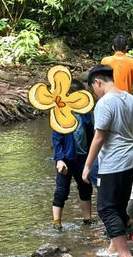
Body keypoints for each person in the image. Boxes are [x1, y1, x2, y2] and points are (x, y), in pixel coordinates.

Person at [83, 65, 133, 257]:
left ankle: (123, 253)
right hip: (131, 159)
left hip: (113, 162)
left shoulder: (104, 103)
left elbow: (99, 137)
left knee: (106, 208)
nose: (95, 93)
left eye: (93, 88)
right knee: (120, 204)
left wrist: (87, 165)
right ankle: (114, 247)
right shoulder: (129, 97)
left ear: (98, 82)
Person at [51, 80, 96, 230]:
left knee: (85, 187)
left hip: (83, 157)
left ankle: (87, 219)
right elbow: (56, 139)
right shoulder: (60, 114)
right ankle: (57, 223)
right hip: (66, 159)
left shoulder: (85, 114)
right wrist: (59, 159)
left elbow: (91, 135)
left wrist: (94, 155)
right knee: (62, 190)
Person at [102, 35, 133, 114]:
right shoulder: (132, 62)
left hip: (108, 99)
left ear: (113, 47)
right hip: (125, 100)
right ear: (126, 47)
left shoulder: (105, 61)